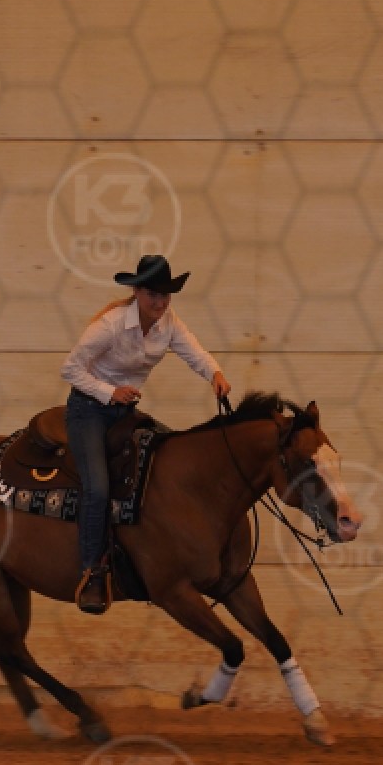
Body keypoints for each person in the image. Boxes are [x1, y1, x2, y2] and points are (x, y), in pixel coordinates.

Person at [60, 254, 231, 614]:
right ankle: (92, 572)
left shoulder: (168, 323)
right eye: (153, 294)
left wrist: (215, 374)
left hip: (124, 412)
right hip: (88, 411)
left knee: (166, 466)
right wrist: (109, 392)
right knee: (97, 487)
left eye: (165, 294)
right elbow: (70, 368)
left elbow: (194, 352)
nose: (161, 302)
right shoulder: (109, 326)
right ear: (136, 292)